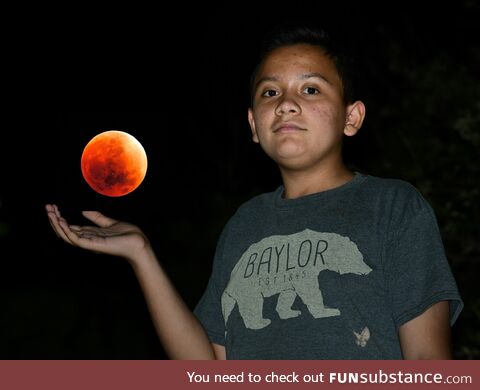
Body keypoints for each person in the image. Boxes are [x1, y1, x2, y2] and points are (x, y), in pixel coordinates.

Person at [46, 25, 463, 359]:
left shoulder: (392, 206)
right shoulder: (244, 225)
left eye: (311, 89)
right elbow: (207, 368)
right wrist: (142, 254)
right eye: (270, 93)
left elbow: (428, 360)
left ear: (351, 117)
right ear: (252, 125)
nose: (285, 104)